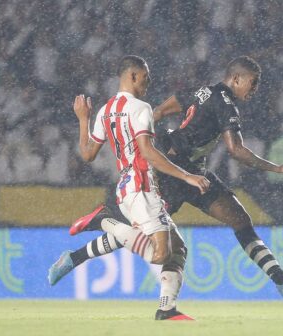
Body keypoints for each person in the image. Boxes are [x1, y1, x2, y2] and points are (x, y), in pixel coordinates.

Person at [50, 55, 283, 301]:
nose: (255, 89)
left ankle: (282, 280)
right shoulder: (227, 106)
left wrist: (153, 129)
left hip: (192, 169)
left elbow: (164, 109)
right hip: (175, 170)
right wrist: (276, 169)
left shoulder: (204, 91)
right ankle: (78, 252)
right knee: (148, 239)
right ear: (236, 79)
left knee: (238, 218)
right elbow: (235, 150)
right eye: (253, 82)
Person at [48, 55, 210, 320]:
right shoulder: (140, 107)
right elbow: (147, 152)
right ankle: (104, 221)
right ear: (133, 75)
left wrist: (82, 120)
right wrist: (187, 176)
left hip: (125, 186)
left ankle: (166, 309)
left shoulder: (106, 110)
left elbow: (87, 154)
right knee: (161, 253)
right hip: (142, 184)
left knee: (178, 248)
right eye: (146, 75)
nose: (149, 80)